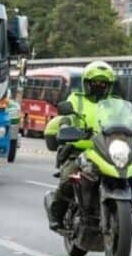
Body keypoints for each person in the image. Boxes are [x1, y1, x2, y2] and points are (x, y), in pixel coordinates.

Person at [44, 60, 116, 230]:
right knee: (69, 178)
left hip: (107, 151)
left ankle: (116, 209)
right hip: (79, 150)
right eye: (95, 83)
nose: (99, 86)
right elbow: (66, 118)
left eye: (103, 83)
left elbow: (126, 122)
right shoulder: (76, 100)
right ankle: (57, 212)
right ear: (86, 83)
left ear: (109, 86)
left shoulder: (115, 104)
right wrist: (67, 127)